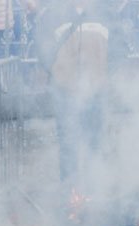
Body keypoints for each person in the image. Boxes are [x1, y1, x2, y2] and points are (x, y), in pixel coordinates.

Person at [34, 0, 120, 193]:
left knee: (94, 142)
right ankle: (69, 192)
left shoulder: (105, 13)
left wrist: (104, 71)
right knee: (68, 143)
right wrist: (56, 71)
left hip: (97, 90)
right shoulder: (54, 14)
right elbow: (41, 45)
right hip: (65, 91)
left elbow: (120, 46)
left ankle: (94, 189)